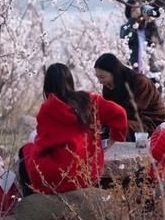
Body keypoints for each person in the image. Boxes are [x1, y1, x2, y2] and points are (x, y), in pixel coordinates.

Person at [19, 63, 127, 195]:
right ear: (70, 81)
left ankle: (29, 199)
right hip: (88, 172)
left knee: (25, 151)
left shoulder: (47, 109)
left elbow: (42, 145)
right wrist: (115, 138)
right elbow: (120, 113)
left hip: (61, 176)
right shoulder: (89, 100)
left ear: (47, 86)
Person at [94, 53, 165, 140]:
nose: (100, 81)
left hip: (150, 123)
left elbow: (132, 111)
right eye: (98, 77)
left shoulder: (140, 82)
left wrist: (109, 121)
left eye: (102, 77)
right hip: (126, 120)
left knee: (119, 125)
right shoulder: (108, 86)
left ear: (114, 72)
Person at [120, 0, 162, 81]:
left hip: (152, 70)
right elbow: (126, 37)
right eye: (133, 9)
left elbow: (157, 41)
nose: (136, 11)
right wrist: (132, 20)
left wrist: (150, 21)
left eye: (138, 8)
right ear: (129, 11)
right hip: (135, 71)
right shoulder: (125, 28)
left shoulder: (148, 27)